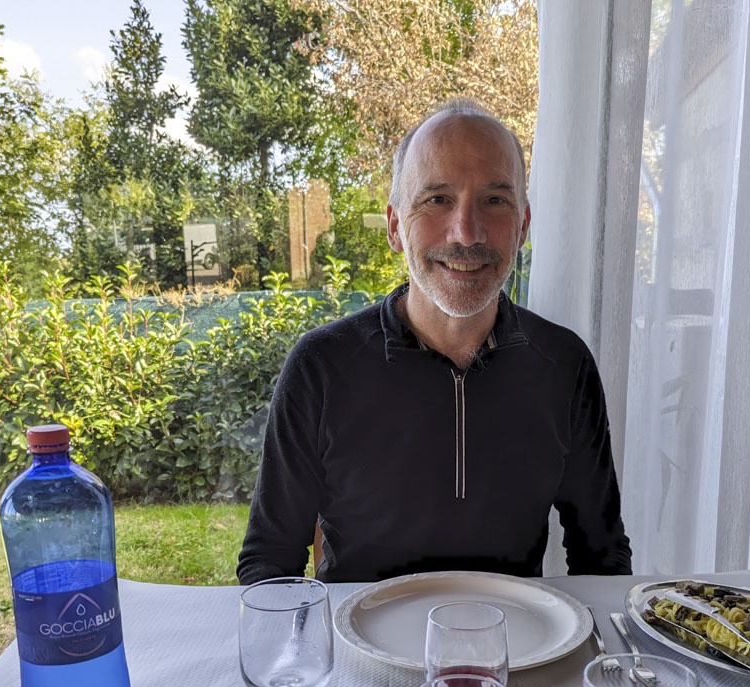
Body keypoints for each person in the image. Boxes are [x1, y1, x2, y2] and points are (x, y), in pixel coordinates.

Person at [237, 99, 632, 584]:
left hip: (513, 652)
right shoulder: (322, 366)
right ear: (395, 226)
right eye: (437, 199)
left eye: (495, 200)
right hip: (359, 654)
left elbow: (603, 556)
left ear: (523, 225)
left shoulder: (564, 365)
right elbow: (269, 563)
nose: (466, 232)